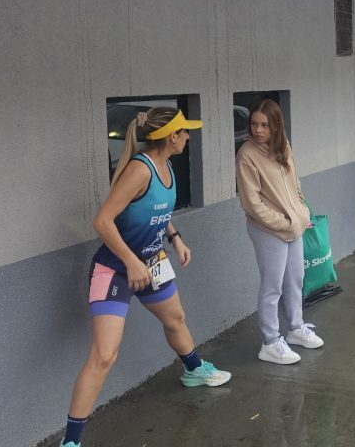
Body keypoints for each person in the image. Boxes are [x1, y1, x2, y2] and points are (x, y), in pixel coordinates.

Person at [61, 107, 230, 447]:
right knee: (104, 355)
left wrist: (175, 237)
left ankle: (194, 369)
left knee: (176, 319)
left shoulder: (168, 166)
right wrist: (130, 261)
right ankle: (71, 442)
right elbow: (102, 221)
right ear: (171, 136)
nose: (188, 137)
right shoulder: (140, 170)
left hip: (152, 262)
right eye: (184, 132)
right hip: (114, 269)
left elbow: (158, 211)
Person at [237, 99, 325, 365]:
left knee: (295, 279)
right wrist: (283, 221)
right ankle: (270, 341)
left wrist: (301, 212)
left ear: (276, 125)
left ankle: (296, 328)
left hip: (294, 225)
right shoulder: (247, 155)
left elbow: (294, 181)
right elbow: (251, 203)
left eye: (264, 125)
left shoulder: (283, 146)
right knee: (272, 286)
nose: (258, 130)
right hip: (267, 229)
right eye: (254, 124)